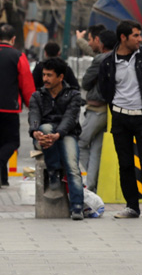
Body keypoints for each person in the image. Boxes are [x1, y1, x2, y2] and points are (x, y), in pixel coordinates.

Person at [97, 20, 142, 220]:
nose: (140, 39)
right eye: (135, 35)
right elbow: (104, 89)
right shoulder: (108, 62)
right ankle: (132, 206)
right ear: (123, 38)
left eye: (140, 35)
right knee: (125, 163)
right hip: (120, 117)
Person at [28, 58, 85, 219]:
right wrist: (34, 132)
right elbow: (34, 115)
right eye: (44, 75)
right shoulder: (37, 95)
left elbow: (70, 118)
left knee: (73, 166)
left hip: (66, 134)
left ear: (60, 77)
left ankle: (77, 206)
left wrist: (58, 134)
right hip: (44, 137)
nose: (45, 78)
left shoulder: (73, 95)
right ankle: (53, 171)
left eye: (49, 75)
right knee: (44, 128)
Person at [78, 29, 117, 192]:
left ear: (101, 42)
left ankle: (92, 180)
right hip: (108, 110)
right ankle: (93, 184)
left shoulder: (101, 59)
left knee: (79, 142)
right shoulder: (116, 57)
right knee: (96, 148)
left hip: (97, 108)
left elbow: (86, 82)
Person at [0, 24, 35, 189]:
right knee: (12, 142)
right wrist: (32, 105)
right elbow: (26, 84)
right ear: (13, 39)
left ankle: (3, 179)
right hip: (9, 107)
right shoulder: (18, 56)